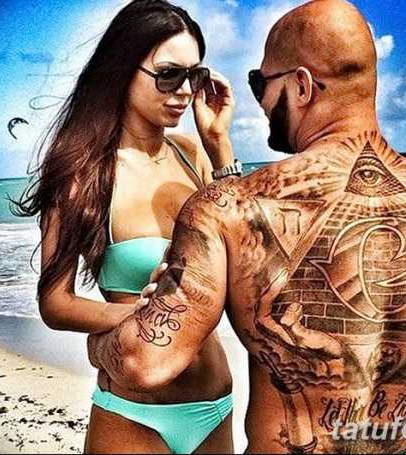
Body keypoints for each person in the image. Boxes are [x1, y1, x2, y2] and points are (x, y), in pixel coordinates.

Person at [87, 0, 406, 453]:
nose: (259, 102)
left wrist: (99, 344)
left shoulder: (228, 209)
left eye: (260, 84)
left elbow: (147, 362)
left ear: (301, 86)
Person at [13, 0, 240, 453]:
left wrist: (219, 145)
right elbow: (55, 303)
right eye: (168, 75)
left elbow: (249, 253)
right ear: (123, 70)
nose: (183, 92)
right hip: (133, 414)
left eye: (194, 76)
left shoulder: (192, 156)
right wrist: (141, 312)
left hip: (215, 407)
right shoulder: (82, 174)